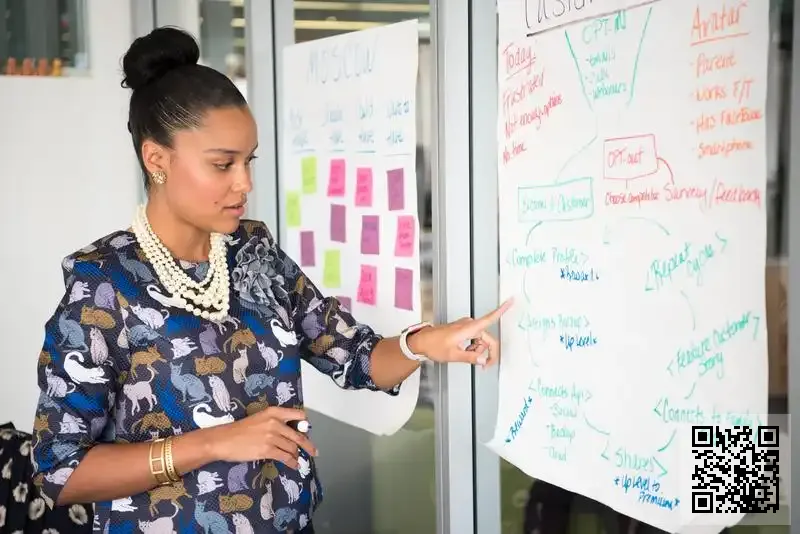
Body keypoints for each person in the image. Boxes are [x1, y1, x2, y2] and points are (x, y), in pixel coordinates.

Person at [29, 27, 512, 534]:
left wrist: (426, 344)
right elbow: (60, 471)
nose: (245, 183)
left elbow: (354, 357)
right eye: (223, 164)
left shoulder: (253, 253)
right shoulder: (102, 285)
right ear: (157, 160)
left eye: (248, 161)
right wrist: (213, 442)